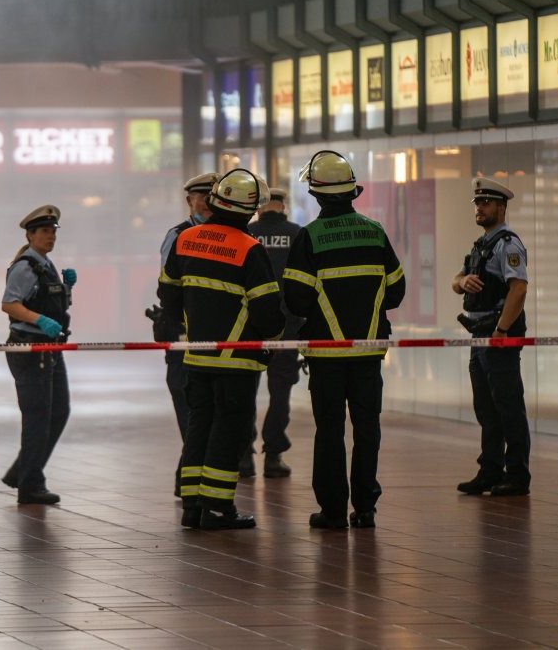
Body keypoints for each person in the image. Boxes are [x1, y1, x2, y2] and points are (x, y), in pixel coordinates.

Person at [283, 150, 405, 530]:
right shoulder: (375, 232)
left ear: (317, 195)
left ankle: (333, 510)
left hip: (327, 353)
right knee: (368, 428)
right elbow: (396, 291)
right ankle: (365, 508)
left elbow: (296, 298)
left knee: (330, 430)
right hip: (368, 353)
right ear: (353, 192)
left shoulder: (310, 238)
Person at [158, 168, 284, 530]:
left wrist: (190, 323)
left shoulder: (187, 239)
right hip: (237, 361)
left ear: (214, 201)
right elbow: (267, 312)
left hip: (195, 356)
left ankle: (193, 507)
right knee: (229, 433)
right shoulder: (249, 249)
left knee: (199, 427)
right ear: (250, 211)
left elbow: (168, 292)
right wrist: (272, 338)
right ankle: (217, 508)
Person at [452, 177, 531, 498]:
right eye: (477, 203)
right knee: (485, 406)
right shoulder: (481, 245)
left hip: (499, 333)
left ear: (501, 207)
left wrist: (501, 330)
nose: (480, 208)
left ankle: (517, 474)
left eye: (486, 203)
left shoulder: (508, 244)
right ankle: (490, 470)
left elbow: (519, 288)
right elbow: (456, 280)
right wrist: (462, 282)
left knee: (507, 404)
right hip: (480, 334)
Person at [0, 204, 76, 505]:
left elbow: (53, 306)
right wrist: (38, 320)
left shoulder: (45, 265)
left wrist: (66, 289)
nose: (50, 237)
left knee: (58, 411)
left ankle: (24, 472)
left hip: (49, 347)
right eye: (44, 231)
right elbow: (10, 304)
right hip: (30, 348)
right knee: (38, 417)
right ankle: (30, 484)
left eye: (53, 232)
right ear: (30, 235)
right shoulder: (25, 267)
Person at [152, 172, 218, 495]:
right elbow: (167, 288)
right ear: (188, 200)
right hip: (183, 339)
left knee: (207, 416)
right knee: (190, 412)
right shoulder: (177, 236)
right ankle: (190, 484)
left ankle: (189, 482)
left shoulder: (229, 235)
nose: (205, 202)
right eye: (200, 196)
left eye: (211, 195)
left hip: (218, 340)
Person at [245, 186, 304, 479]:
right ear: (284, 206)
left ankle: (243, 457)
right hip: (288, 328)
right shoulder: (297, 234)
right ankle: (273, 455)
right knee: (280, 393)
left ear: (259, 208)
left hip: (249, 329)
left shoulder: (245, 233)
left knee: (245, 392)